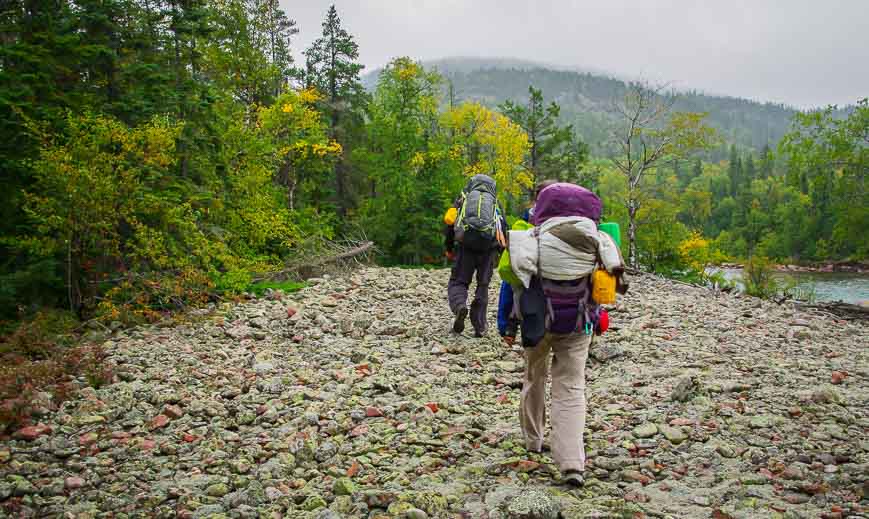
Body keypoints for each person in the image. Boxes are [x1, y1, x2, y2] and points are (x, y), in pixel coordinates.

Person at [512, 182, 624, 488]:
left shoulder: (531, 237)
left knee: (534, 376)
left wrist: (508, 324)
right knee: (571, 387)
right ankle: (572, 462)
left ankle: (533, 441)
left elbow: (515, 280)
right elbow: (610, 282)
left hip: (537, 322)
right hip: (577, 323)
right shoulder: (598, 238)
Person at [444, 174, 506, 337]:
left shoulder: (463, 199)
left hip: (465, 247)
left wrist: (449, 249)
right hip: (488, 249)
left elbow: (450, 225)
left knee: (459, 281)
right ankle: (479, 326)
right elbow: (503, 229)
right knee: (482, 286)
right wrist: (499, 253)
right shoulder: (495, 203)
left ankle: (459, 307)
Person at [497, 180, 558, 343]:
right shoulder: (569, 216)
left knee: (514, 284)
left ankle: (508, 327)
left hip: (529, 272)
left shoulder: (529, 216)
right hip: (560, 276)